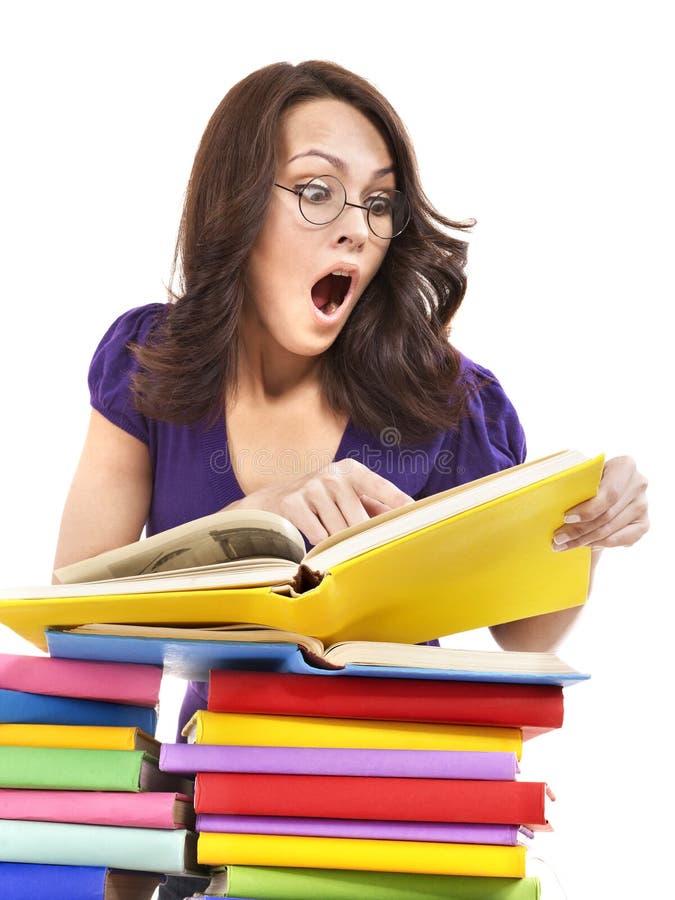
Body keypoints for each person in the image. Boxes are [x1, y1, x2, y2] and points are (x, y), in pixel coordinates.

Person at [51, 60, 649, 898]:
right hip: (221, 797)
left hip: (404, 810)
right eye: (316, 190)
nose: (356, 229)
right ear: (238, 204)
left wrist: (589, 524)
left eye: (376, 202)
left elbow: (530, 635)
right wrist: (244, 520)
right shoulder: (149, 363)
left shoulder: (449, 399)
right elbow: (73, 619)